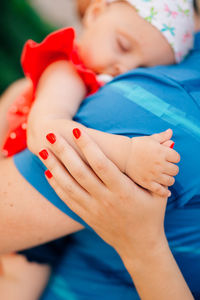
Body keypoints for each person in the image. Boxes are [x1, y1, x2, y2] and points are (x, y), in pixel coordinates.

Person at [0, 1, 199, 299]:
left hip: (50, 214)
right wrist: (127, 153)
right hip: (26, 188)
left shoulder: (102, 79)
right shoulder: (66, 68)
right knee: (16, 282)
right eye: (122, 45)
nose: (125, 68)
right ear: (95, 14)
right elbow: (45, 133)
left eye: (145, 68)